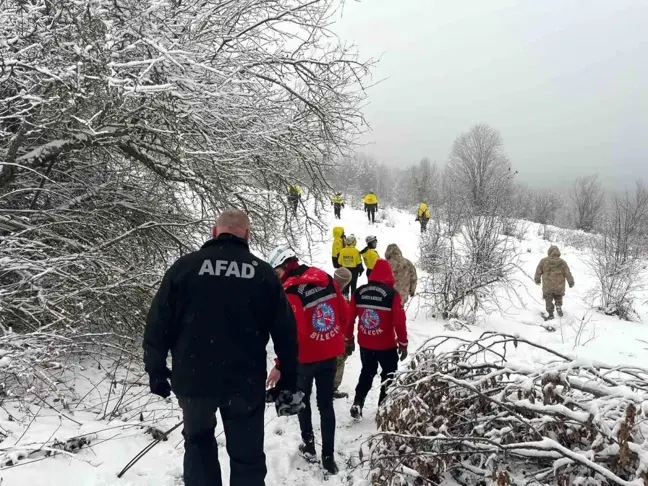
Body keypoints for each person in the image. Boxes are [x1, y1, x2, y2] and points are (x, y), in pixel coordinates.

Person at [143, 209, 300, 486]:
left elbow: (158, 323)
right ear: (247, 235)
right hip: (244, 381)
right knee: (247, 455)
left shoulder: (185, 268)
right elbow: (286, 333)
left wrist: (156, 369)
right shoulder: (263, 274)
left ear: (215, 232)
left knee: (199, 445)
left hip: (194, 379)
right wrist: (288, 379)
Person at [265, 246, 347, 475]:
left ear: (287, 265)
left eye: (277, 272)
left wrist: (280, 365)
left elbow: (291, 334)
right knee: (326, 405)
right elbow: (344, 313)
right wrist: (338, 335)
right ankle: (328, 458)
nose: (276, 277)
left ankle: (310, 446)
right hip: (330, 354)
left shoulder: (291, 292)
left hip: (305, 358)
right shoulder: (327, 279)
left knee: (302, 401)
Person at [344, 259, 408, 419]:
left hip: (365, 342)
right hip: (386, 345)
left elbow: (350, 319)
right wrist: (403, 343)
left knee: (366, 372)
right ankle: (383, 408)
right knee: (389, 374)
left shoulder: (359, 292)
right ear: (389, 275)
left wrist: (348, 339)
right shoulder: (392, 295)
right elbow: (399, 321)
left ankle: (358, 402)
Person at [534, 245, 575, 319]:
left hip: (547, 286)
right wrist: (571, 282)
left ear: (549, 252)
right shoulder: (562, 262)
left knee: (548, 299)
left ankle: (550, 313)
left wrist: (537, 279)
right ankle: (558, 306)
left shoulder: (544, 261)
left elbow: (538, 271)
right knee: (558, 296)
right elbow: (567, 273)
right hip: (559, 286)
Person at [332, 267, 352, 399]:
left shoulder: (322, 288)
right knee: (339, 360)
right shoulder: (340, 297)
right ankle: (332, 388)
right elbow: (346, 319)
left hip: (318, 334)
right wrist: (349, 340)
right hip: (336, 336)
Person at [337, 234, 364, 299]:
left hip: (345, 270)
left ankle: (345, 299)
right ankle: (353, 300)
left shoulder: (342, 250)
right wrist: (361, 269)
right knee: (353, 286)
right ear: (354, 242)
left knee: (345, 286)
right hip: (354, 271)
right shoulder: (356, 251)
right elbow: (358, 262)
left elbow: (339, 262)